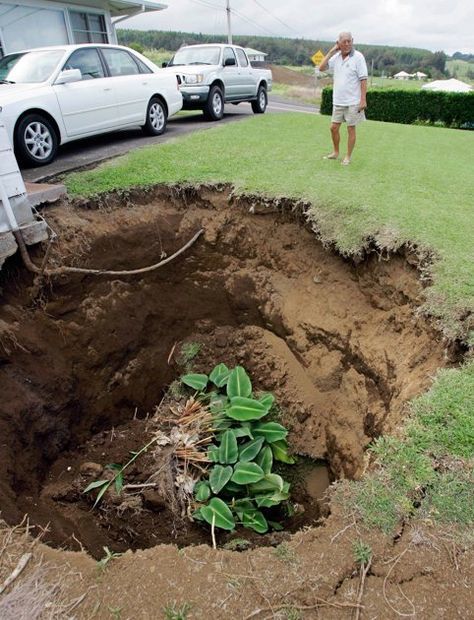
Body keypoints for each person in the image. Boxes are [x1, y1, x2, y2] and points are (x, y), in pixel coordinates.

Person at [319, 32, 368, 165]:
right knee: (333, 128)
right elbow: (321, 67)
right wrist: (331, 51)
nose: (347, 44)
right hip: (338, 101)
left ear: (352, 41)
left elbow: (363, 79)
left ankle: (348, 156)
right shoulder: (336, 57)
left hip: (353, 101)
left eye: (349, 41)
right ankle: (335, 153)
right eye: (344, 42)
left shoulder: (358, 57)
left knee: (351, 128)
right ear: (338, 43)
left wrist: (363, 100)